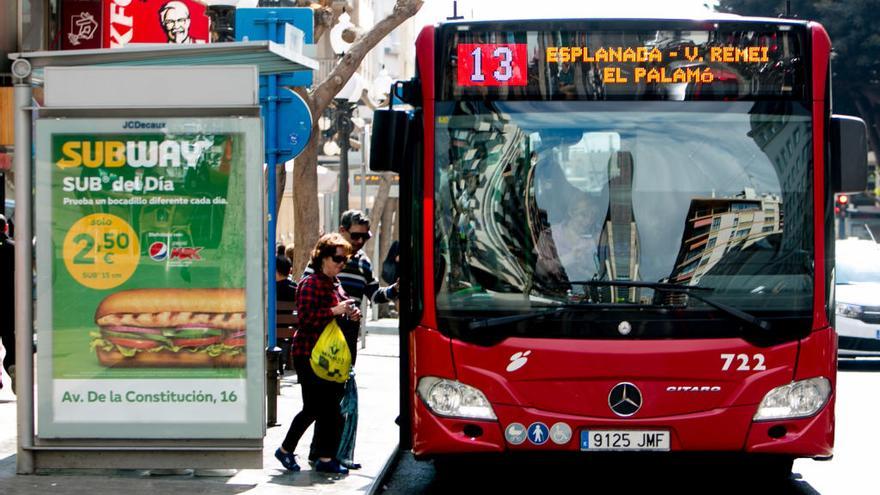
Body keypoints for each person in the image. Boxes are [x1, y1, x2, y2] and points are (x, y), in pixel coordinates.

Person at [302, 210, 398, 469]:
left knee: (337, 397)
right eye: (356, 236)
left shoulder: (364, 262)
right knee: (325, 401)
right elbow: (306, 290)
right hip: (322, 338)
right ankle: (320, 453)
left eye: (365, 236)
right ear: (343, 231)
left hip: (347, 338)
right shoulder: (323, 260)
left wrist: (393, 291)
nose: (360, 241)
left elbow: (374, 294)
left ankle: (328, 453)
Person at [275, 233, 359, 475]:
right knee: (318, 407)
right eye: (337, 259)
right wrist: (336, 309)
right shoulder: (311, 283)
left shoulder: (334, 282)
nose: (342, 264)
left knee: (326, 407)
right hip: (310, 353)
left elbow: (339, 313)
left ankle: (320, 456)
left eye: (345, 260)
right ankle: (292, 451)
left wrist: (350, 314)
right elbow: (307, 318)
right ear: (322, 257)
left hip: (330, 356)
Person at [0, 214, 15, 387]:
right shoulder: (15, 249)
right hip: (12, 304)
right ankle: (12, 365)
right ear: (5, 228)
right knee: (10, 340)